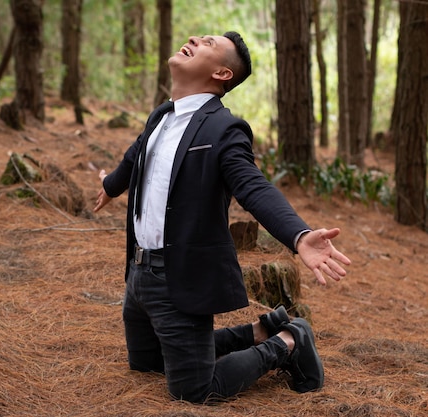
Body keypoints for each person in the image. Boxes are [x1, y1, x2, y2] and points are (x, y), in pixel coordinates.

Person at [93, 31, 351, 404]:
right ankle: (260, 331)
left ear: (222, 74)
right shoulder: (161, 116)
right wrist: (110, 186)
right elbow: (135, 158)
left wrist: (298, 236)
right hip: (138, 275)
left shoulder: (223, 129)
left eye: (209, 43)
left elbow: (253, 187)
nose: (195, 38)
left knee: (194, 390)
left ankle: (287, 342)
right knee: (147, 364)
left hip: (179, 278)